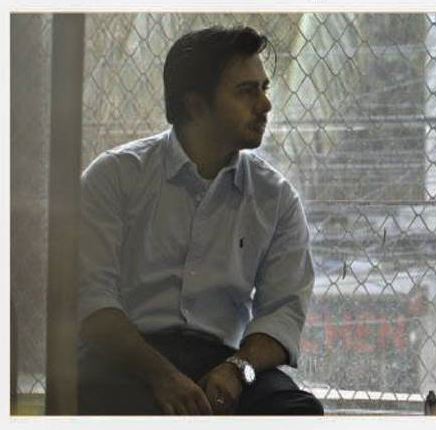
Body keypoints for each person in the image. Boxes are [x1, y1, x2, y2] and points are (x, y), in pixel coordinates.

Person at [78, 25, 323, 415]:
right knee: (106, 402)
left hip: (224, 360)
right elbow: (91, 298)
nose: (265, 105)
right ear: (195, 106)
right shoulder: (115, 177)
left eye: (264, 88)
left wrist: (238, 370)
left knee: (296, 411)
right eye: (246, 91)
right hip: (125, 357)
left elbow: (283, 311)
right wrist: (162, 377)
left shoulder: (275, 198)